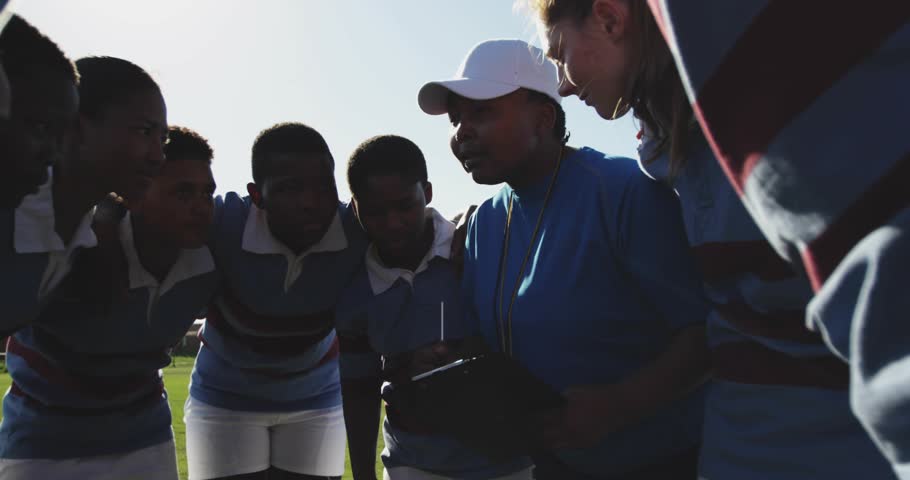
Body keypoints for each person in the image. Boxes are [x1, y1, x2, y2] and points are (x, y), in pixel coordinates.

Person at [523, 1, 899, 478]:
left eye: (560, 54)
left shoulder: (773, 101)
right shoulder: (682, 153)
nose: (562, 84)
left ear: (610, 19)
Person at [419, 38, 710, 479]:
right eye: (456, 119)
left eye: (481, 112)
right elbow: (488, 342)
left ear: (544, 117)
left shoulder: (625, 192)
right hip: (551, 466)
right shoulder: (484, 223)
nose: (462, 132)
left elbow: (706, 333)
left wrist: (619, 405)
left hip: (666, 463)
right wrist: (443, 367)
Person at [0, 126, 218, 480]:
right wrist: (103, 216)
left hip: (147, 441)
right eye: (182, 192)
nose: (201, 206)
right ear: (136, 194)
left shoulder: (214, 253)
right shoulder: (77, 247)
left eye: (207, 192)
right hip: (42, 445)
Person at [336, 134, 533, 480]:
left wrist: (468, 357)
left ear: (427, 192)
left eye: (404, 206)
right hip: (412, 462)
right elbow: (359, 390)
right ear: (355, 208)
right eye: (376, 212)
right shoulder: (353, 290)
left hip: (509, 458)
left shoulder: (476, 243)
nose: (393, 223)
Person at [185, 122, 368, 480]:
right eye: (290, 188)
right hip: (224, 396)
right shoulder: (226, 222)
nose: (310, 202)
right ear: (257, 195)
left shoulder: (356, 229)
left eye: (323, 186)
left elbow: (421, 229)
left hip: (317, 399)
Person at [1, 53, 166, 335]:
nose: (158, 156)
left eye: (163, 139)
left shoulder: (85, 234)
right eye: (144, 131)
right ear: (76, 127)